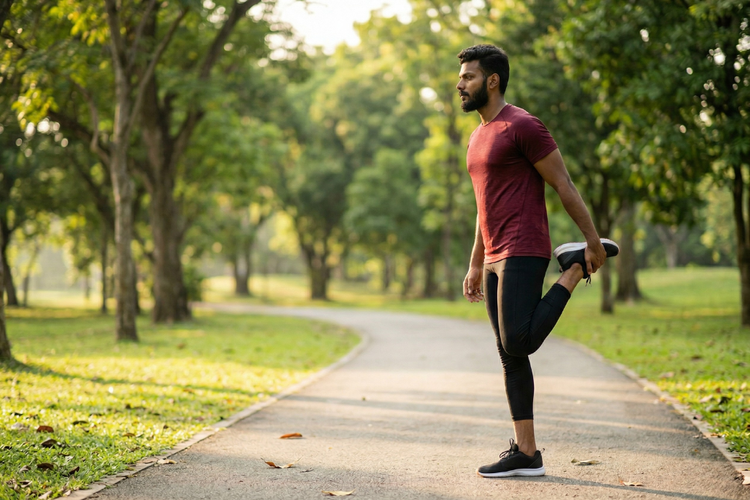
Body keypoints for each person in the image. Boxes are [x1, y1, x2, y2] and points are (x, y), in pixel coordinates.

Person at [457, 44, 619, 478]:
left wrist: (591, 243)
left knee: (520, 341)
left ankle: (573, 268)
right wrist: (476, 262)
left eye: (468, 77)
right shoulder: (477, 136)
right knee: (508, 354)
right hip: (493, 253)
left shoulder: (523, 125)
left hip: (524, 245)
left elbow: (563, 183)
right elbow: (482, 205)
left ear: (492, 80)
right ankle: (526, 453)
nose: (460, 84)